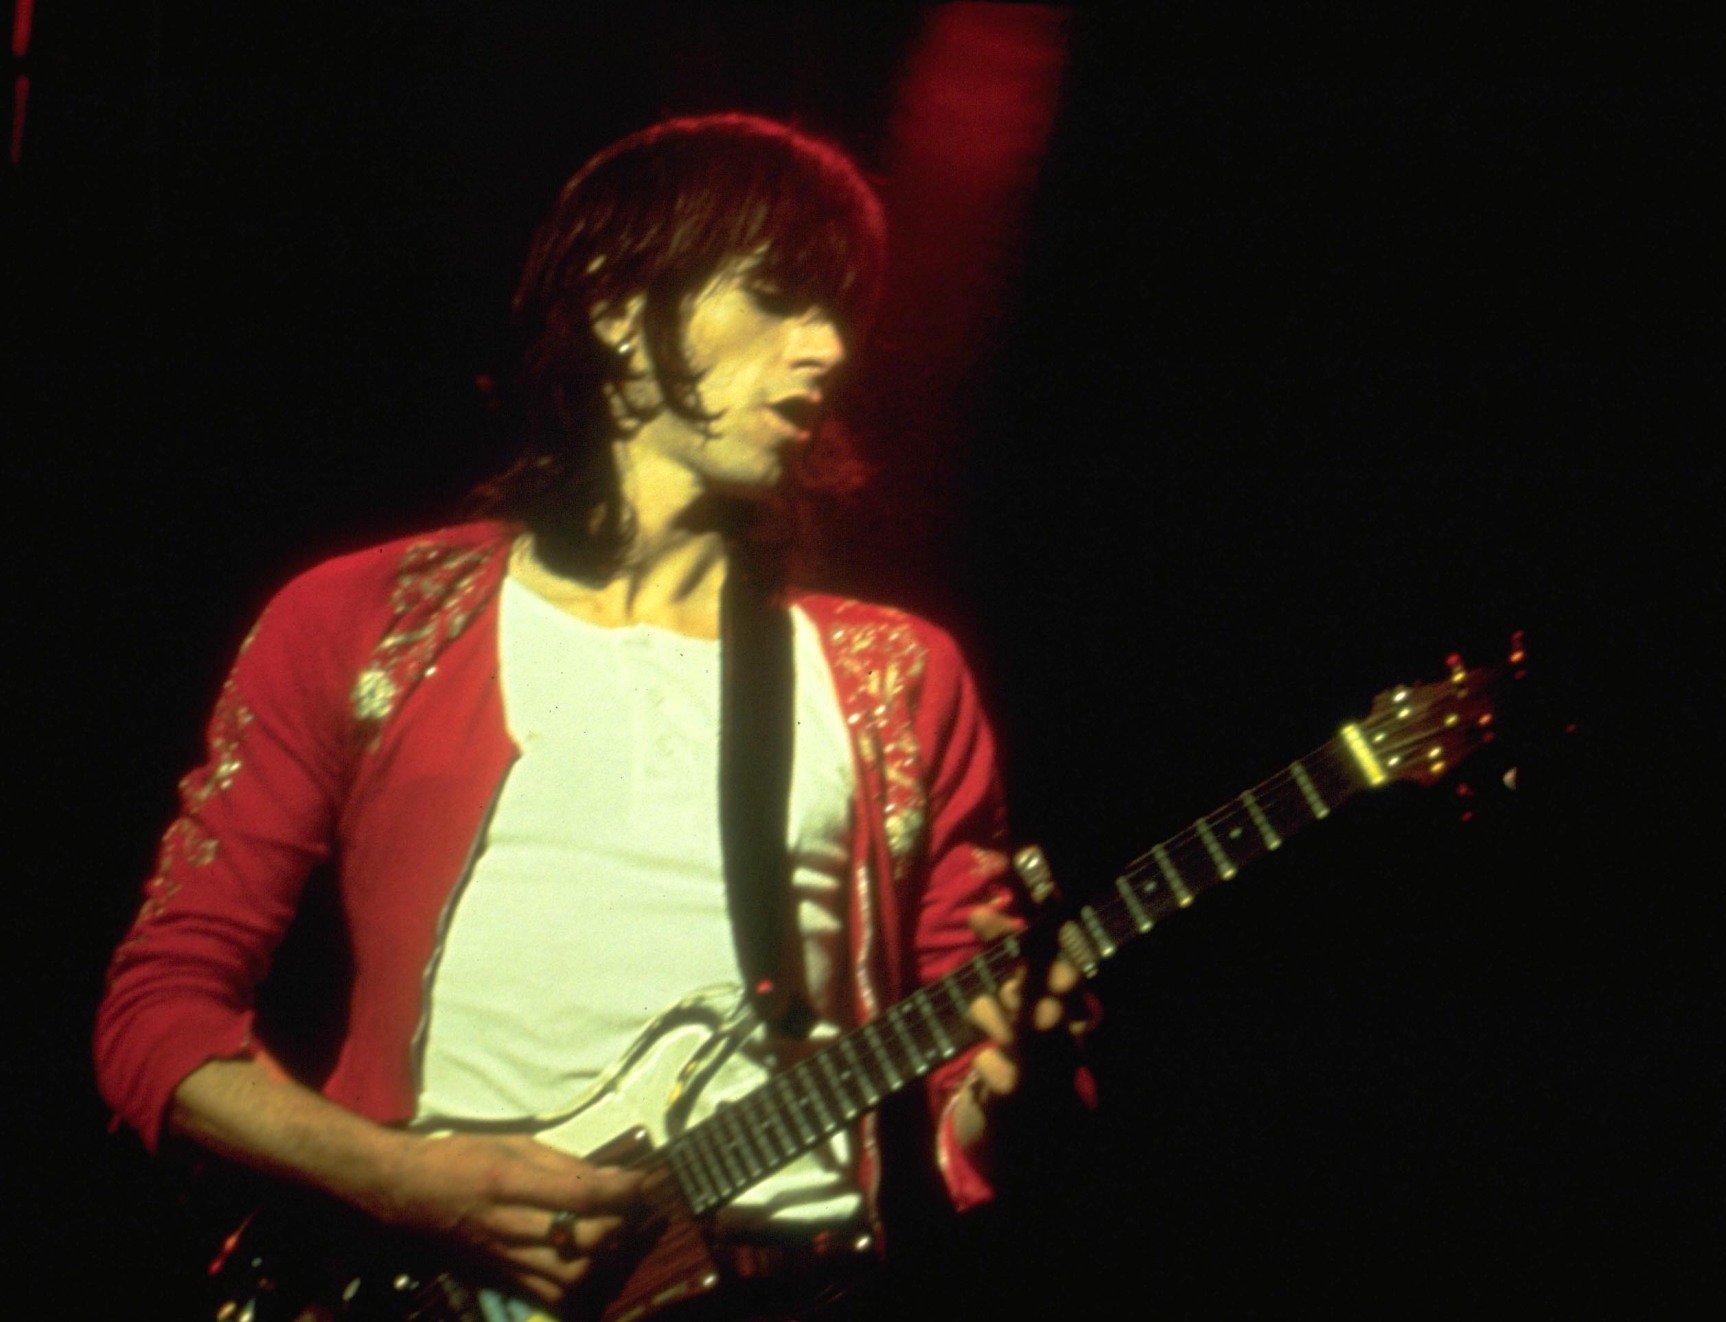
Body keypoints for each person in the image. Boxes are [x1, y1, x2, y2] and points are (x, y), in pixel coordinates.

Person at [94, 112, 1091, 1317]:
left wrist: (1014, 1069)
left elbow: (968, 1101)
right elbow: (158, 1013)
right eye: (776, 297)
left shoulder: (901, 674)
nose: (824, 348)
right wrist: (407, 1181)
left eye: (839, 312)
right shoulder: (362, 619)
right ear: (619, 309)